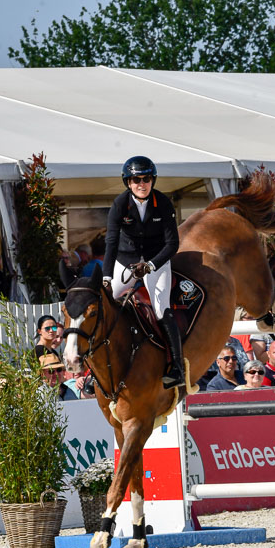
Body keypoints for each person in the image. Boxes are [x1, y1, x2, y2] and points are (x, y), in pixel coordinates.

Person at [102, 156, 183, 388]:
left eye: (146, 178)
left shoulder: (164, 203)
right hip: (124, 261)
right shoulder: (119, 204)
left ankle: (176, 367)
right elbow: (110, 242)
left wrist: (150, 266)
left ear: (152, 180)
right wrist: (107, 278)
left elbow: (172, 245)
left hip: (155, 260)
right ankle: (93, 369)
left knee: (161, 307)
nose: (141, 183)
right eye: (136, 179)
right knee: (105, 305)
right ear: (128, 182)